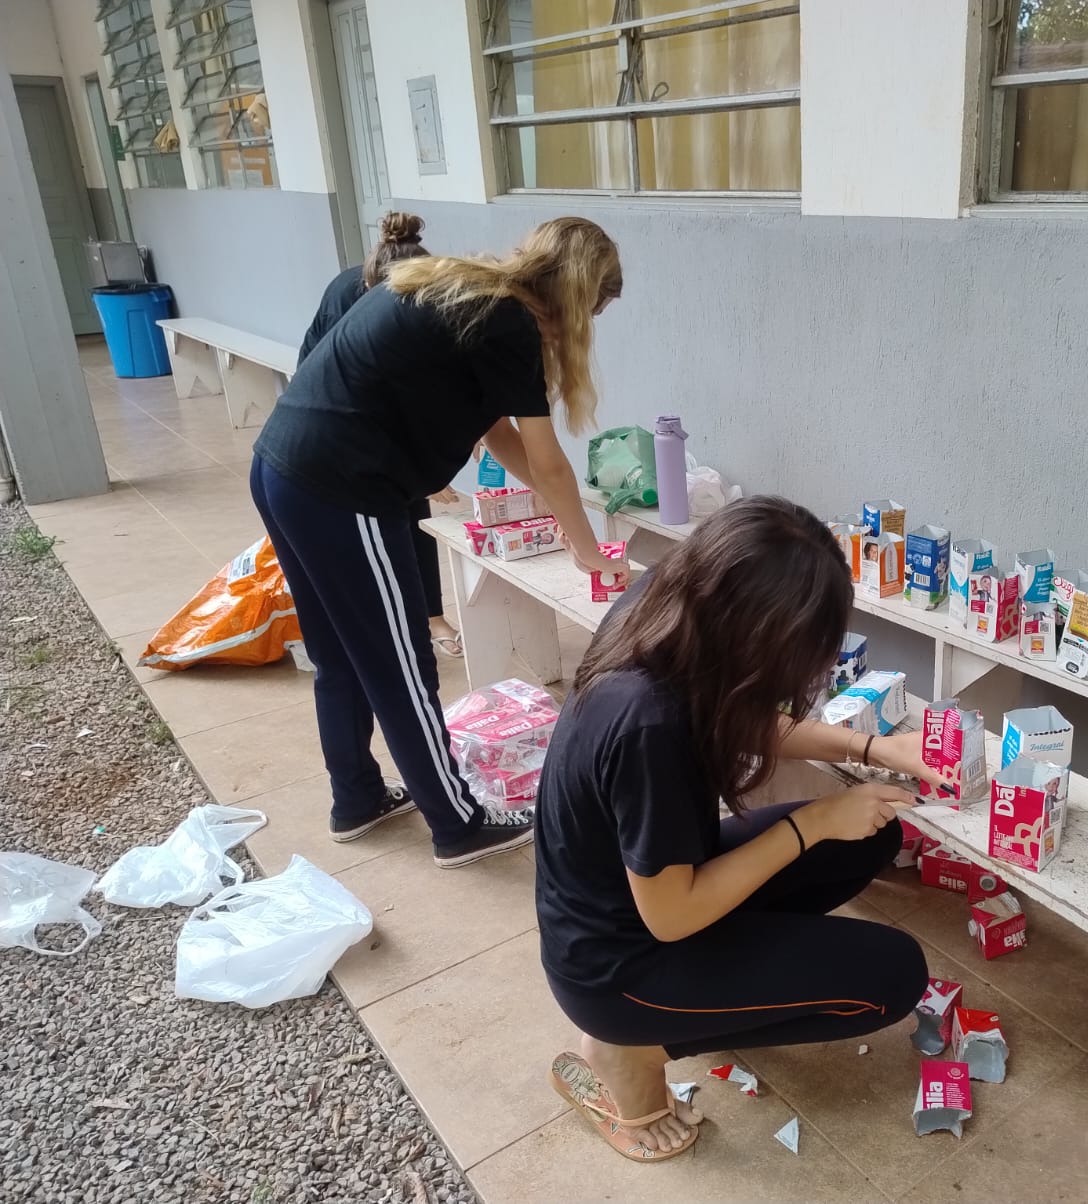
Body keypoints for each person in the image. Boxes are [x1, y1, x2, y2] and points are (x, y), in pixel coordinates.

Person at [536, 497, 948, 1162]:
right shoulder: (649, 725)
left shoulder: (667, 606)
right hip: (618, 964)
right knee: (895, 976)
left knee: (870, 835)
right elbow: (672, 916)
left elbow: (736, 717)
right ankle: (633, 1046)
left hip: (649, 891)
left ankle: (720, 985)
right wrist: (814, 821)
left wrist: (871, 748)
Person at [251, 216, 627, 868]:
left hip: (283, 469)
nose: (584, 326)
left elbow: (498, 431)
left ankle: (357, 799)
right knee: (401, 664)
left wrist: (556, 514)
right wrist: (588, 549)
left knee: (339, 654)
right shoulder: (509, 320)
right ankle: (458, 825)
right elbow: (548, 461)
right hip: (343, 486)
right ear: (574, 293)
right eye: (592, 310)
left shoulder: (468, 291)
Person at [295, 212, 464, 660]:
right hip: (329, 420)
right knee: (374, 516)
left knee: (414, 508)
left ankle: (430, 615)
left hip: (376, 411)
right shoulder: (350, 299)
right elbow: (363, 399)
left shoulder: (419, 301)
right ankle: (382, 625)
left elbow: (422, 381)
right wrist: (423, 463)